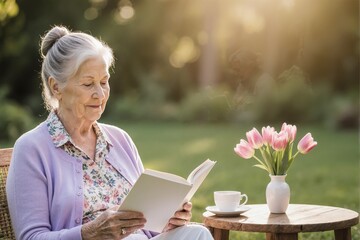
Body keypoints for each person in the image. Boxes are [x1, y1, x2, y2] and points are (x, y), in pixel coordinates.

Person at [6, 25, 213, 240]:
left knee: (197, 233)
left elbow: (148, 229)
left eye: (104, 82)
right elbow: (31, 237)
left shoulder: (120, 140)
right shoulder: (31, 149)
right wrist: (90, 233)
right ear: (56, 87)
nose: (100, 94)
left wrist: (167, 219)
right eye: (88, 84)